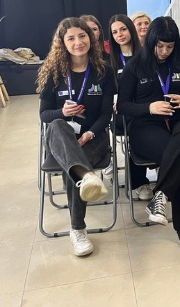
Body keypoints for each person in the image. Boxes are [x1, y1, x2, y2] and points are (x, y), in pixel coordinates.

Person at [117, 16, 180, 252]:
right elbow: (123, 106)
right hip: (145, 128)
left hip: (178, 123)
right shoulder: (135, 67)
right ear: (151, 42)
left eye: (170, 46)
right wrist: (149, 107)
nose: (165, 51)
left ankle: (160, 195)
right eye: (160, 46)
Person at [37, 17, 114, 257]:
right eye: (71, 38)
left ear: (90, 38)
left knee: (73, 167)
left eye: (82, 36)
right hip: (62, 138)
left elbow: (106, 115)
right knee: (58, 125)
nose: (78, 42)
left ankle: (77, 228)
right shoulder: (54, 73)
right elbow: (44, 115)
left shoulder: (104, 71)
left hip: (94, 137)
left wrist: (90, 133)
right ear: (62, 43)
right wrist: (63, 112)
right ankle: (87, 179)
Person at [105, 14, 147, 193]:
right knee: (137, 126)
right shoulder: (109, 61)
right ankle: (138, 182)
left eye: (123, 29)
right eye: (115, 32)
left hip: (144, 106)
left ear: (131, 29)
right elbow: (108, 91)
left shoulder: (146, 55)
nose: (120, 34)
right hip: (122, 112)